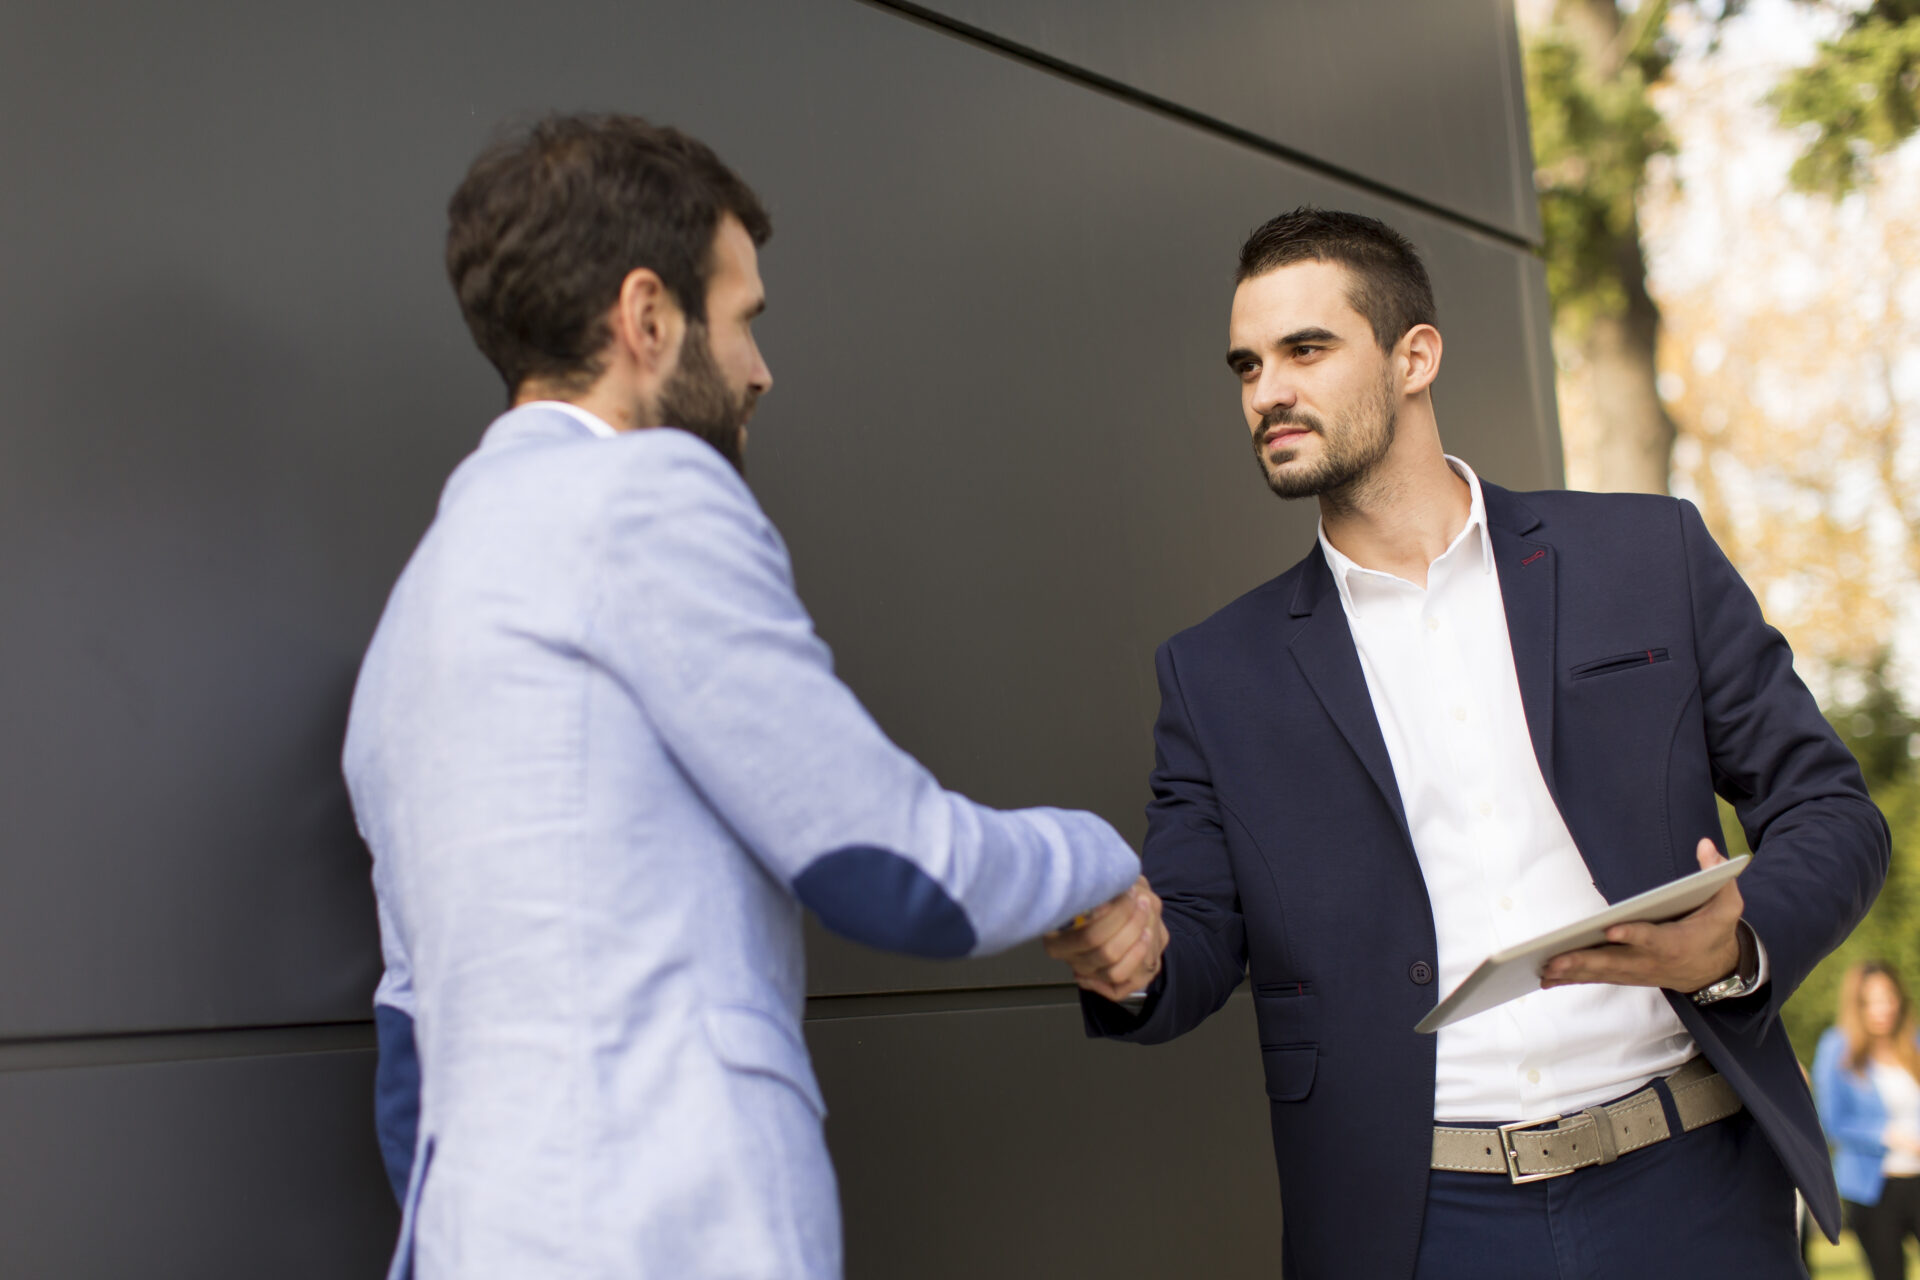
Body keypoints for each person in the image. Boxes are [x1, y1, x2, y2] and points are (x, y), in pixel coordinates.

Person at [341, 113, 1144, 1280]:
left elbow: (408, 1051)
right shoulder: (651, 496)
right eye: (744, 317)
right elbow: (894, 865)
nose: (763, 367)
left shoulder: (416, 612)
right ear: (649, 321)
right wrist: (1099, 856)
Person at [1044, 208, 1889, 1279]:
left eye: (1306, 349)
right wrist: (1133, 953)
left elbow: (1831, 811)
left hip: (1694, 1192)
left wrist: (1734, 942)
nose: (1266, 392)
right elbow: (1195, 930)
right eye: (1246, 365)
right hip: (1427, 1228)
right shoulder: (1216, 674)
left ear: (1415, 356)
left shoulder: (1644, 554)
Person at [1815, 961, 1920, 1279]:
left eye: (1888, 997)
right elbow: (1833, 1121)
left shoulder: (1914, 1041)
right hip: (1873, 1185)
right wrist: (1886, 1135)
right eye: (1872, 1000)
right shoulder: (1836, 1047)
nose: (1883, 1008)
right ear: (1857, 1004)